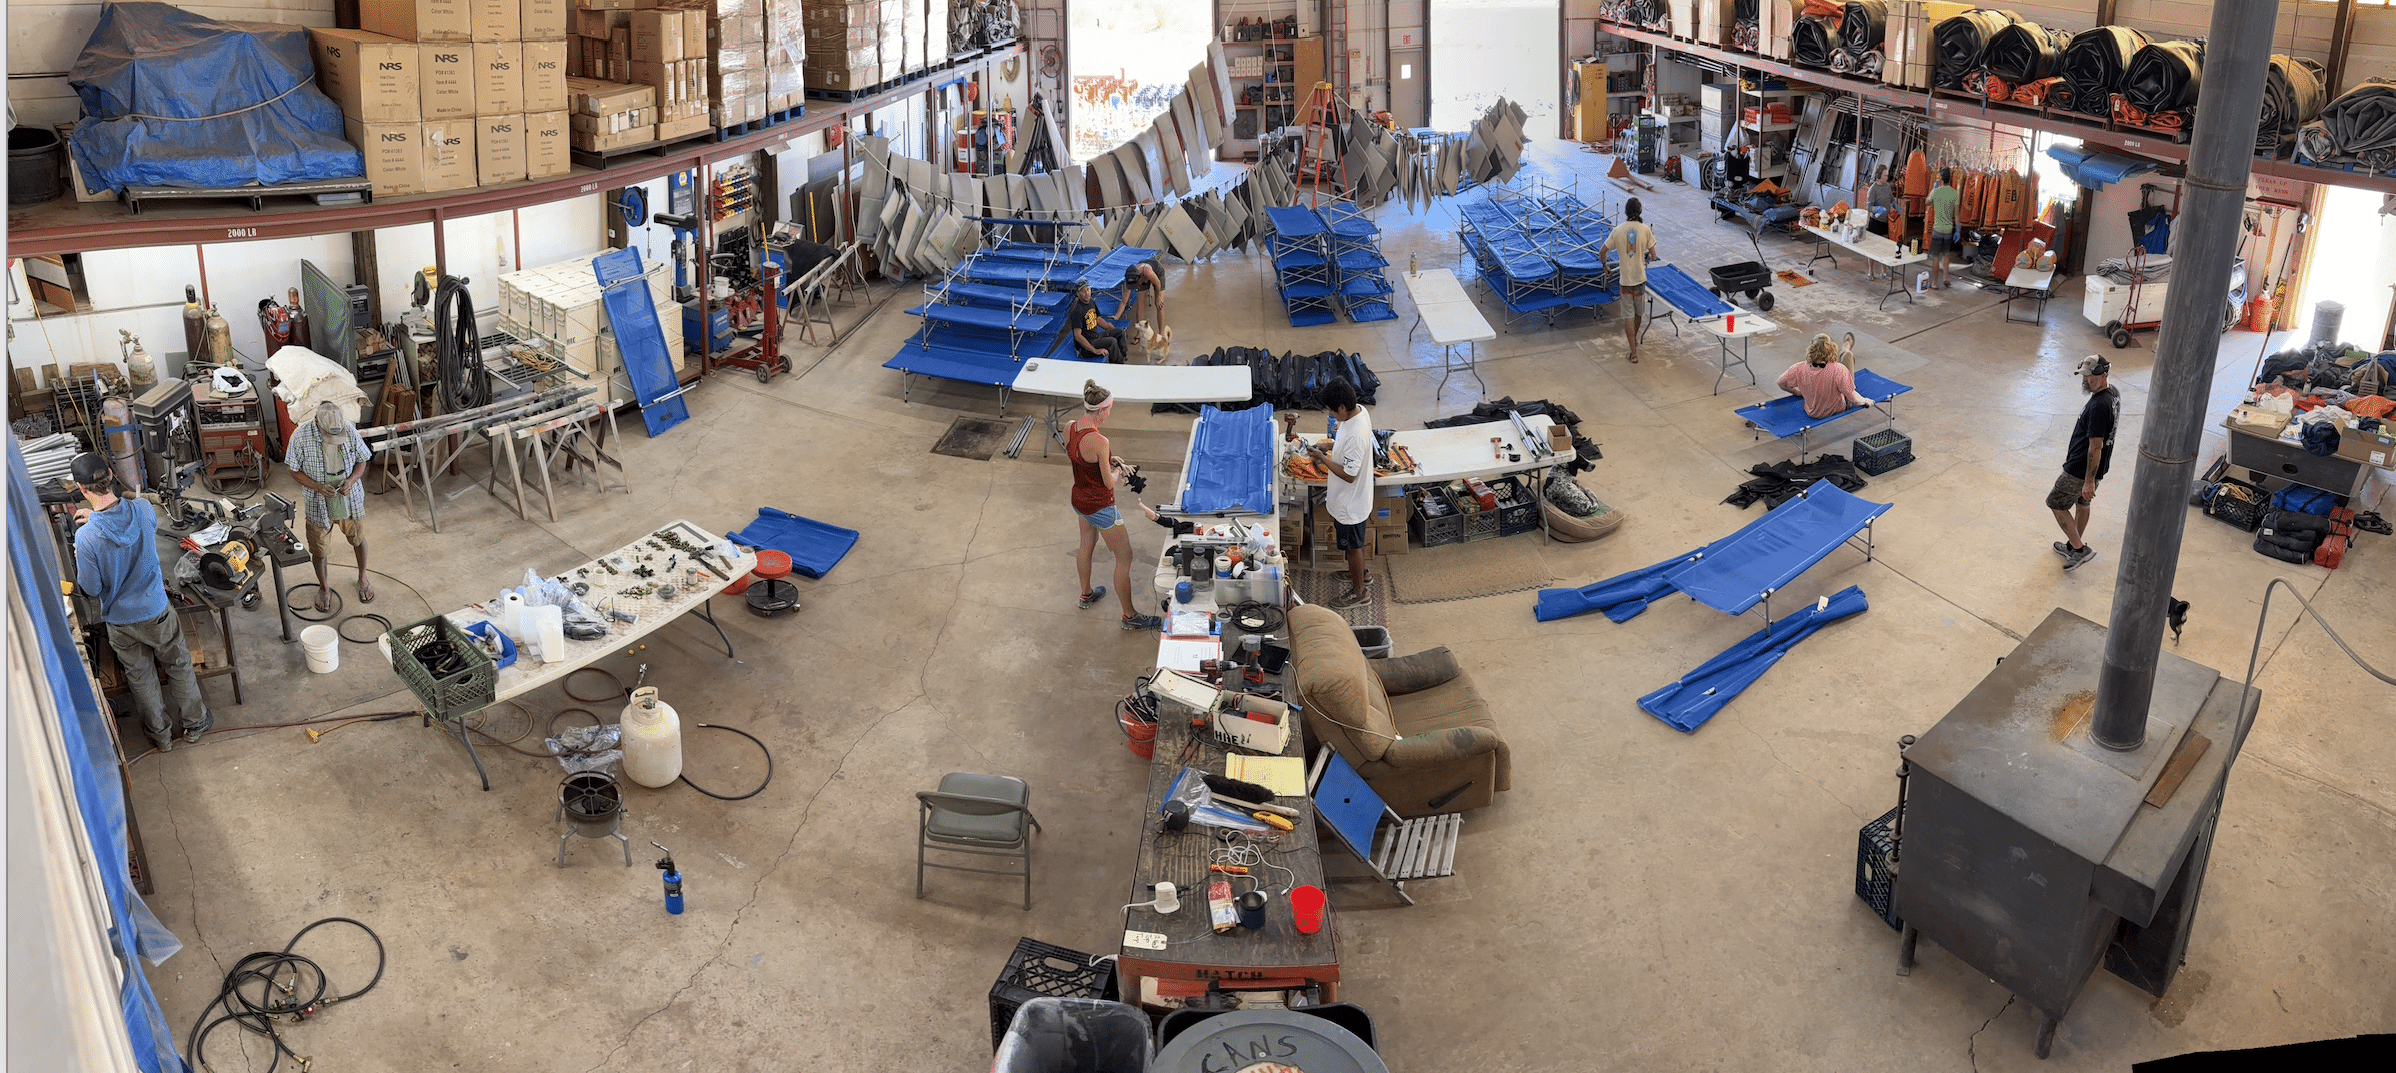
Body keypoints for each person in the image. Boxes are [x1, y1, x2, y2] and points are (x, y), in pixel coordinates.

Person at [67, 452, 211, 753]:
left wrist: (87, 541)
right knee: (178, 663)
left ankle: (161, 737)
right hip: (156, 610)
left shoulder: (87, 537)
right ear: (109, 475)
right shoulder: (144, 509)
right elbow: (128, 523)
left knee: (140, 676)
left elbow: (91, 589)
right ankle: (195, 724)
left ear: (81, 489)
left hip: (120, 621)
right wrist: (100, 518)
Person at [1066, 380, 1162, 631]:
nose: (1110, 414)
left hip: (1080, 499)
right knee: (1125, 556)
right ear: (1101, 410)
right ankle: (1129, 617)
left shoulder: (1070, 427)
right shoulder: (1100, 440)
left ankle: (1086, 594)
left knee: (1085, 545)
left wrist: (1110, 460)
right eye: (1109, 409)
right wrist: (1117, 470)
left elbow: (1084, 458)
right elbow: (1109, 483)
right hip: (1101, 505)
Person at [284, 401, 375, 609]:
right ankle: (324, 588)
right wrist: (317, 487)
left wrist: (351, 481)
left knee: (358, 538)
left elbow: (362, 460)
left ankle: (362, 578)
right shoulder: (300, 436)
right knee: (319, 549)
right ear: (316, 423)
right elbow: (292, 470)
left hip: (348, 496)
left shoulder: (349, 430)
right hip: (318, 500)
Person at [1305, 378, 1374, 610]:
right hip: (1350, 500)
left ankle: (1359, 592)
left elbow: (1349, 474)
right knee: (1352, 546)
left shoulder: (1356, 434)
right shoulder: (1359, 412)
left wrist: (1323, 459)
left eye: (1333, 412)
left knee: (1353, 548)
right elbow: (1346, 446)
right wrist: (1329, 447)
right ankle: (1360, 575)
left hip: (1350, 505)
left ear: (1342, 408)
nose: (1332, 415)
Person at [2050, 357, 2119, 571]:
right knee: (2083, 503)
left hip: (2080, 470)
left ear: (2103, 376)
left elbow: (2095, 447)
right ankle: (2072, 545)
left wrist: (2088, 480)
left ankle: (2079, 550)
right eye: (2084, 376)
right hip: (2096, 468)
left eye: (2090, 377)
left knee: (2056, 503)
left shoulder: (2099, 405)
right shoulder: (2112, 393)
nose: (2086, 381)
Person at [1603, 197, 1659, 364]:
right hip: (1640, 280)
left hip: (1625, 281)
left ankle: (1633, 353)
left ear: (1626, 212)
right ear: (1640, 211)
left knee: (1628, 316)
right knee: (1638, 314)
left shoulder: (1618, 230)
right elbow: (1654, 255)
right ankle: (1634, 339)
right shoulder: (1645, 229)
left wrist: (1605, 266)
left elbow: (1602, 251)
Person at [1778, 334, 1869, 419]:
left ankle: (1845, 349)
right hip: (1837, 411)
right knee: (1847, 358)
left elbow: (1780, 382)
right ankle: (1845, 349)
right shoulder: (1839, 369)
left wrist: (1796, 392)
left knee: (1838, 371)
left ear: (1811, 349)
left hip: (1812, 413)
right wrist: (1865, 400)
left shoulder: (1798, 368)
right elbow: (1854, 398)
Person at [1068, 282, 1126, 364]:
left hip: (1096, 337)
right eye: (1083, 291)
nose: (1087, 293)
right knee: (1112, 342)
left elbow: (1097, 318)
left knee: (1120, 332)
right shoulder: (1077, 311)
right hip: (1086, 348)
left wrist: (1108, 327)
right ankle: (1117, 367)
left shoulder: (1091, 301)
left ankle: (1122, 357)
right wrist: (1095, 351)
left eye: (1088, 289)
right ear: (1078, 294)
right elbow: (1077, 336)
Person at [1926, 167, 1961, 291]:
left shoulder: (1936, 191)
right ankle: (1946, 278)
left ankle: (1935, 283)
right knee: (1946, 254)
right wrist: (1958, 229)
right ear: (1950, 179)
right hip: (1948, 230)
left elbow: (1927, 203)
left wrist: (1933, 190)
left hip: (1937, 229)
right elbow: (1956, 214)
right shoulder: (1954, 193)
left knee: (1935, 257)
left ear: (1940, 178)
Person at [1117, 254, 1165, 331]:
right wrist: (1117, 316)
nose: (1138, 287)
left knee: (1159, 305)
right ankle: (1139, 333)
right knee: (1140, 304)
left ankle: (1161, 332)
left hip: (1157, 274)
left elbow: (1158, 283)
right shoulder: (1130, 278)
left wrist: (1158, 298)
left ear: (1140, 278)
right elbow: (1123, 301)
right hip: (1142, 275)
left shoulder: (1148, 273)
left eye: (1137, 285)